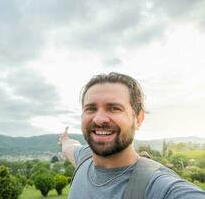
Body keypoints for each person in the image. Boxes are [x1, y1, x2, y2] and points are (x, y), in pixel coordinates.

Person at [59, 72, 205, 199]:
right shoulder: (83, 157)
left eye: (114, 108)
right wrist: (65, 139)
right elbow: (69, 147)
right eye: (91, 109)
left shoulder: (159, 186)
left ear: (138, 119)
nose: (99, 118)